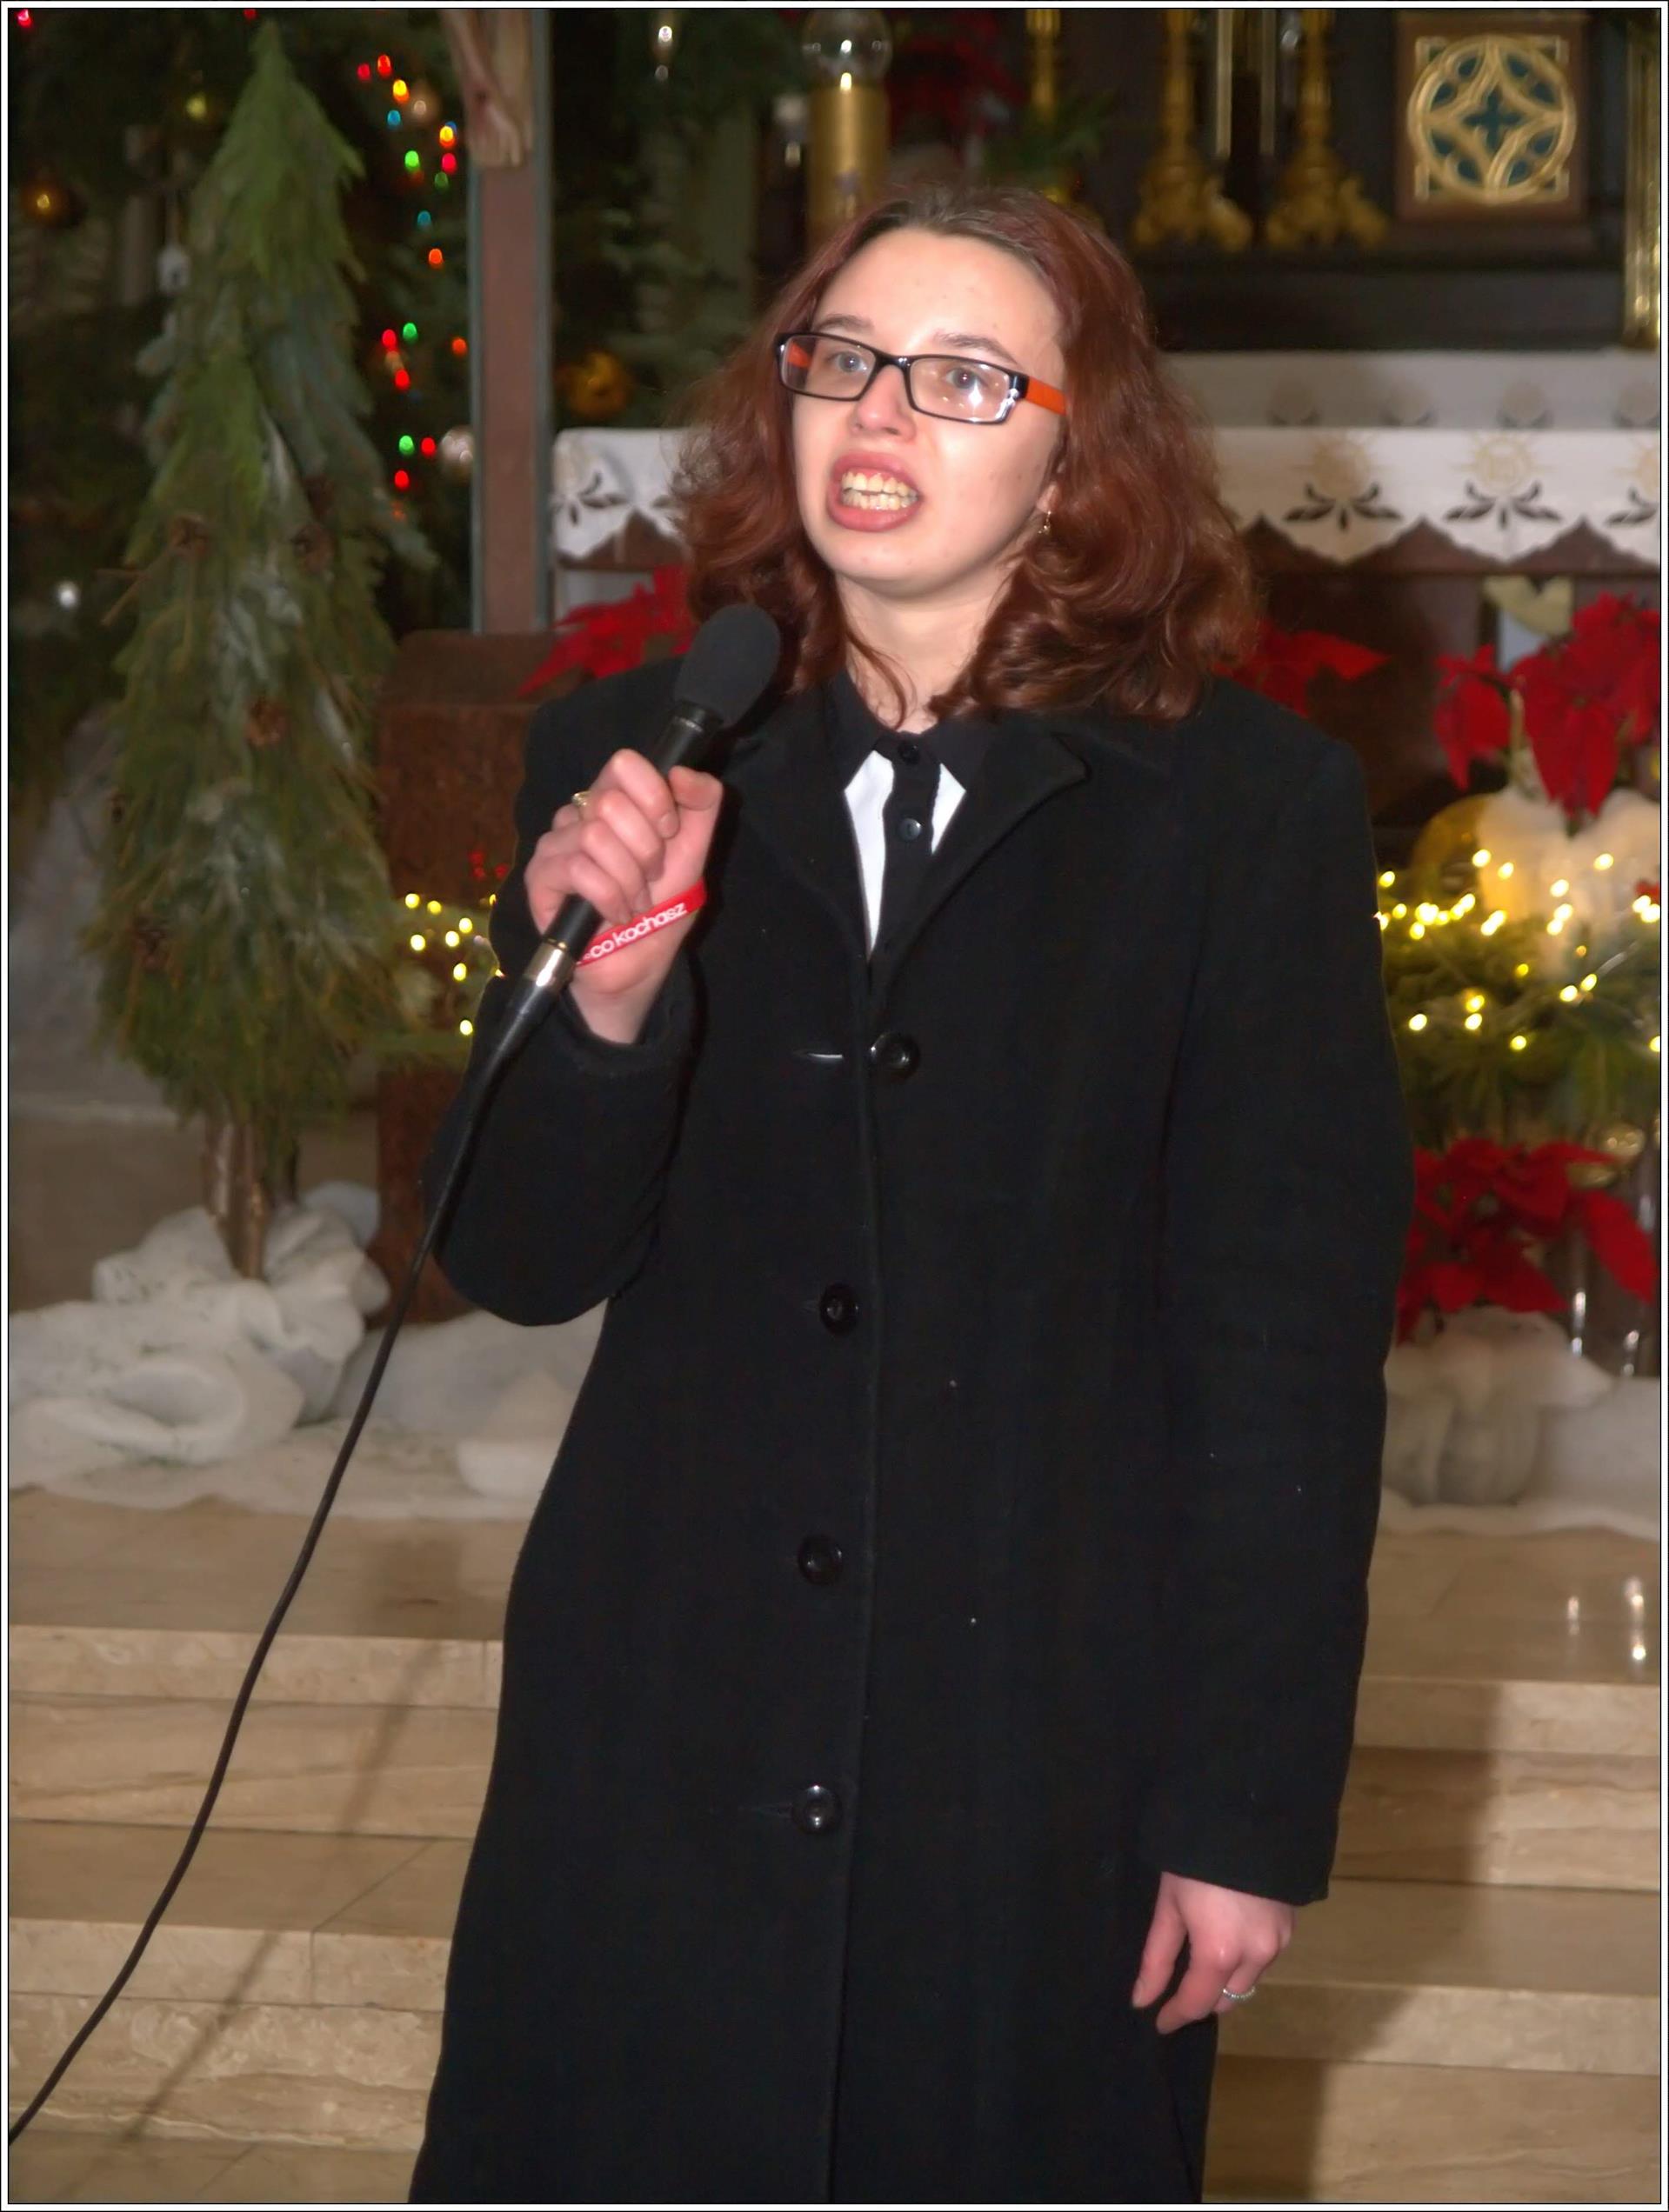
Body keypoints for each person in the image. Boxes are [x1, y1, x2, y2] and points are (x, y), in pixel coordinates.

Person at [408, 182, 1414, 2206]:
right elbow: (513, 1258)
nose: (880, 412)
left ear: (1075, 454)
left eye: (963, 379)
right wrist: (605, 1008)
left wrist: (1241, 1809)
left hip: (1036, 1741)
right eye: (847, 360)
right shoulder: (631, 757)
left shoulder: (1243, 817)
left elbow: (1284, 1358)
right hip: (662, 1717)